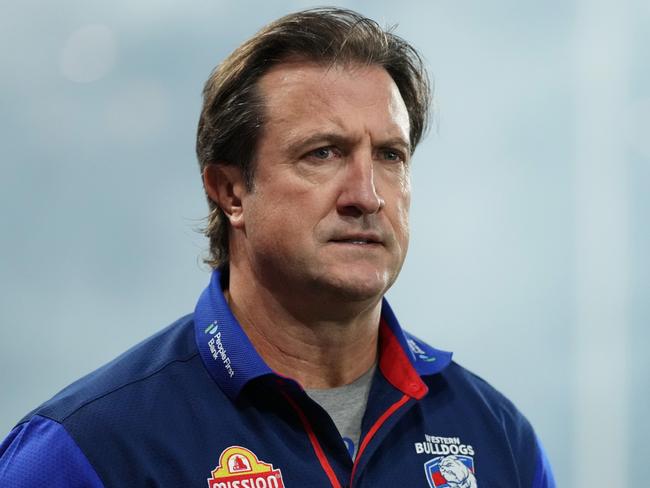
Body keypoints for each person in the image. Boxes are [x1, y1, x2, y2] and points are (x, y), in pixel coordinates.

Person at [0, 7, 555, 487]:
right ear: (231, 192)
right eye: (323, 153)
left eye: (390, 156)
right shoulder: (86, 450)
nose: (367, 196)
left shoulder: (498, 439)